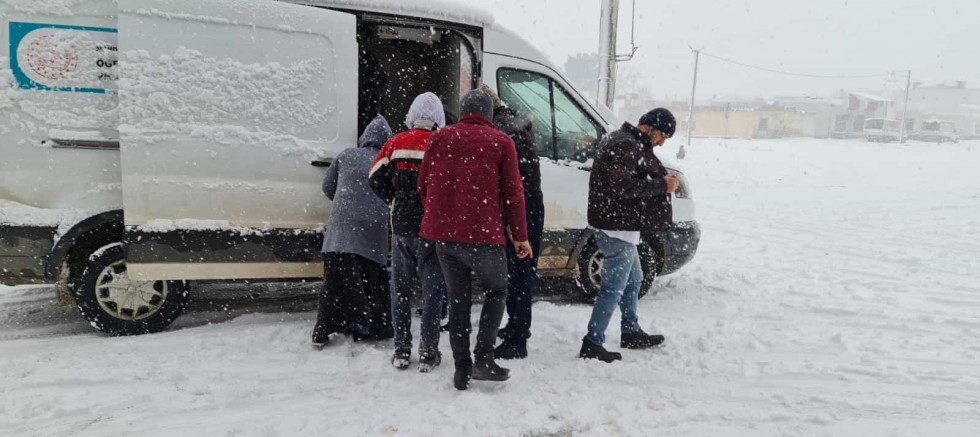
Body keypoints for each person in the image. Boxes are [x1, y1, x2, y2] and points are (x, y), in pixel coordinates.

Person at [418, 90, 533, 390]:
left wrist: (443, 217)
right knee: (497, 290)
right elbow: (514, 194)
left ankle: (461, 368)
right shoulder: (501, 142)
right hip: (484, 237)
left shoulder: (439, 138)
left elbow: (424, 186)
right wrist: (520, 235)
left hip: (445, 240)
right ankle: (483, 359)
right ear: (489, 114)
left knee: (458, 301)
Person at [579, 108, 679, 363]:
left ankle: (631, 331)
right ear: (651, 127)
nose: (662, 142)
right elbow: (620, 186)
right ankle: (592, 342)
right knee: (613, 289)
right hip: (616, 229)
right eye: (663, 135)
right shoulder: (626, 144)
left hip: (619, 225)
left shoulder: (626, 140)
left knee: (635, 279)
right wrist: (661, 186)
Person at [368, 92, 448, 372]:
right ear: (438, 118)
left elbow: (374, 177)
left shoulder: (395, 143)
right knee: (432, 292)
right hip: (432, 227)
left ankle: (402, 349)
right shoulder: (442, 145)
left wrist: (395, 198)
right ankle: (428, 352)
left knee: (400, 290)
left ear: (413, 115)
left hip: (402, 226)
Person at [312, 115, 394, 349]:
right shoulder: (385, 160)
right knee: (368, 282)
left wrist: (345, 204)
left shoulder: (346, 155)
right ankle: (363, 327)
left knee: (334, 283)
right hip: (373, 232)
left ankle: (321, 331)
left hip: (341, 230)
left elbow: (328, 188)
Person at [476, 84, 544, 360]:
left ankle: (518, 339)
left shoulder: (506, 132)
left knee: (518, 276)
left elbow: (513, 183)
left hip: (521, 212)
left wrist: (512, 224)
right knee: (519, 274)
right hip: (527, 209)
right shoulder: (514, 123)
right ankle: (515, 327)